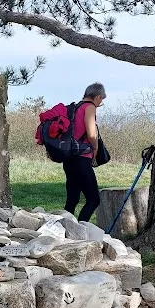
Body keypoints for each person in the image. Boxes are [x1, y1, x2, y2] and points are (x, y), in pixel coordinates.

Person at [63, 82, 105, 221]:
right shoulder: (90, 107)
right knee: (93, 199)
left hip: (69, 158)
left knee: (72, 200)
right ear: (97, 96)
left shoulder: (75, 108)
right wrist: (95, 147)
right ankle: (80, 231)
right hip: (82, 158)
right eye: (101, 99)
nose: (101, 103)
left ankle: (62, 230)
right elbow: (91, 134)